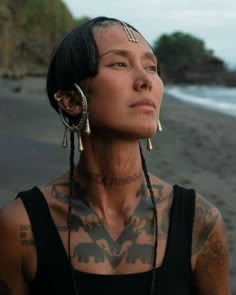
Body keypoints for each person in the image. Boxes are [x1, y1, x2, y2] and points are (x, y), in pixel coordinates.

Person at [0, 16, 231, 295]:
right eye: (119, 64)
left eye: (151, 67)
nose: (146, 80)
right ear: (72, 100)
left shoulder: (198, 222)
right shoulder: (21, 227)